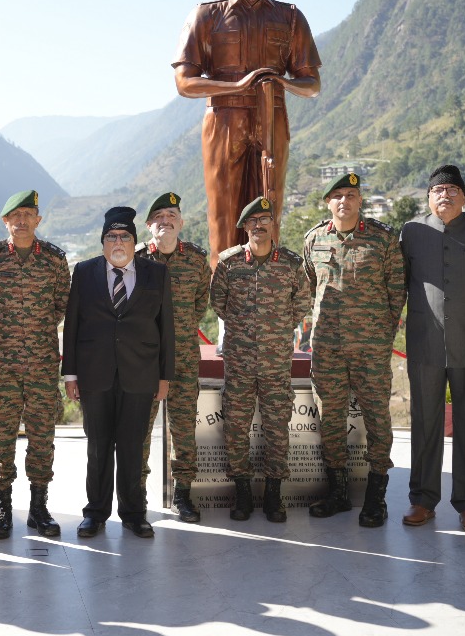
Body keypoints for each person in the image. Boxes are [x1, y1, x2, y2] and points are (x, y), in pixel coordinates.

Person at [173, 0, 321, 265]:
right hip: (224, 123)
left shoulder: (290, 17)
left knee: (269, 213)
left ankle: (268, 285)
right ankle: (224, 288)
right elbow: (184, 82)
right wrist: (236, 85)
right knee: (225, 220)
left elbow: (312, 83)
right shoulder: (205, 16)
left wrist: (281, 82)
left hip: (273, 119)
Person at [399, 165, 465, 534]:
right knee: (425, 421)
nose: (445, 195)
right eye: (438, 190)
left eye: (452, 189)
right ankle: (423, 500)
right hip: (424, 342)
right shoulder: (412, 231)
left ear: (464, 196)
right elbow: (401, 283)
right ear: (428, 197)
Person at [64, 207, 174, 539]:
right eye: (111, 236)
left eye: (124, 236)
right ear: (102, 242)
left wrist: (164, 376)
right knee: (98, 447)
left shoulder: (156, 274)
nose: (118, 242)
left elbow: (166, 328)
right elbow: (72, 324)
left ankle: (134, 514)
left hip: (140, 373)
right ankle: (95, 513)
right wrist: (70, 375)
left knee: (132, 446)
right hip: (94, 373)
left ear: (134, 241)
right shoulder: (84, 272)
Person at [302, 174, 405, 527]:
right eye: (337, 196)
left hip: (370, 348)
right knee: (330, 418)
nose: (344, 201)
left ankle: (376, 496)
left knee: (377, 418)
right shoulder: (314, 239)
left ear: (360, 200)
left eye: (351, 195)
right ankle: (338, 492)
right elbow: (310, 286)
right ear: (327, 203)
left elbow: (397, 290)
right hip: (327, 347)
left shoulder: (383, 238)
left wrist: (382, 333)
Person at [0, 190, 70, 538]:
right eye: (15, 216)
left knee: (42, 436)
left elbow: (61, 306)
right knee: (3, 437)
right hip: (2, 364)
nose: (21, 221)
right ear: (5, 221)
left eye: (28, 214)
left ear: (38, 220)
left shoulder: (55, 261)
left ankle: (39, 507)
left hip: (43, 363)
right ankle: (2, 507)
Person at [211, 196, 309, 522]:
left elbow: (302, 303)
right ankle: (242, 492)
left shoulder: (290, 264)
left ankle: (273, 494)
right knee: (236, 428)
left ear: (272, 224)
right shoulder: (229, 263)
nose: (259, 225)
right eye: (252, 221)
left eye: (264, 219)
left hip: (276, 362)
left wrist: (275, 329)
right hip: (239, 362)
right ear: (245, 227)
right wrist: (244, 331)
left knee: (277, 428)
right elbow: (219, 302)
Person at [135, 192, 210, 521]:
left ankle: (183, 494)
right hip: (143, 360)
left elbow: (200, 304)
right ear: (149, 225)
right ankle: (137, 492)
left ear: (181, 222)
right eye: (159, 216)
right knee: (139, 429)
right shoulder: (136, 259)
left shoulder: (195, 259)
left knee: (183, 428)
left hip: (183, 358)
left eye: (172, 215)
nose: (165, 221)